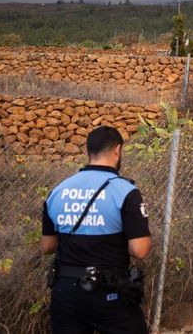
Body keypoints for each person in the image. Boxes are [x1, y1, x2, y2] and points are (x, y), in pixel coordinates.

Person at [42, 126, 152, 334]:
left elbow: (47, 246)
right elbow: (140, 250)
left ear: (88, 152)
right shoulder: (125, 191)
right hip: (108, 291)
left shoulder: (58, 190)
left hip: (64, 292)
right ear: (117, 150)